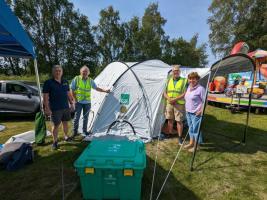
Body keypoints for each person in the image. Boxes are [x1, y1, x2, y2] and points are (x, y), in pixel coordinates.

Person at [71, 65, 110, 137]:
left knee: (86, 117)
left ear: (88, 73)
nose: (84, 73)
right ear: (81, 72)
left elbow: (96, 88)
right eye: (83, 71)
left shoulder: (90, 80)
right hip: (78, 102)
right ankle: (74, 131)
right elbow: (72, 89)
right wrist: (75, 99)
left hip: (87, 102)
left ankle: (85, 131)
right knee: (77, 117)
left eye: (86, 72)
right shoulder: (76, 79)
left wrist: (105, 90)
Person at [43, 65, 74, 150]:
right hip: (55, 108)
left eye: (59, 71)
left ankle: (66, 137)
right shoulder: (48, 82)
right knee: (56, 125)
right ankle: (55, 142)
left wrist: (71, 103)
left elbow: (68, 93)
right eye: (56, 71)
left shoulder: (65, 81)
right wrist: (47, 108)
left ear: (62, 72)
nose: (58, 72)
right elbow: (45, 97)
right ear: (53, 72)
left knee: (65, 123)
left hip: (65, 107)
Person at [163, 65, 188, 145]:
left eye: (177, 70)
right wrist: (169, 99)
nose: (175, 72)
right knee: (169, 119)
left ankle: (180, 137)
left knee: (179, 121)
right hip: (170, 103)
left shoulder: (184, 80)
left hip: (179, 103)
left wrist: (174, 99)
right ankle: (169, 134)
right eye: (174, 71)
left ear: (179, 72)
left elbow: (185, 93)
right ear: (172, 72)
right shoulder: (168, 80)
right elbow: (164, 92)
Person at [184, 72, 205, 152]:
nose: (192, 80)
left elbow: (205, 101)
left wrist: (201, 110)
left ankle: (197, 146)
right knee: (191, 128)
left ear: (197, 79)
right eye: (190, 78)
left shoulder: (201, 89)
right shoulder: (188, 87)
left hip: (196, 113)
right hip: (188, 112)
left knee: (196, 130)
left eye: (194, 78)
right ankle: (191, 143)